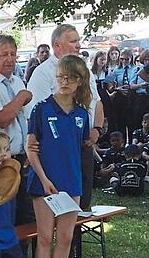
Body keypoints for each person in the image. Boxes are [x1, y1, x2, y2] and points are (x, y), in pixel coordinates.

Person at [26, 54, 92, 258]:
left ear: (79, 82)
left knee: (65, 237)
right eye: (61, 76)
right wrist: (44, 179)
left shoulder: (81, 114)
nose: (65, 82)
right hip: (44, 182)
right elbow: (31, 149)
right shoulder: (41, 109)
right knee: (44, 237)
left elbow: (78, 147)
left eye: (71, 78)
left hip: (71, 182)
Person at [27, 25, 105, 217]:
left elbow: (96, 102)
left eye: (79, 41)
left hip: (82, 146)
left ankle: (75, 246)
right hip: (54, 152)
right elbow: (37, 113)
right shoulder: (43, 72)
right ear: (57, 45)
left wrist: (96, 130)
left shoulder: (84, 69)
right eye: (73, 41)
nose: (78, 45)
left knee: (80, 208)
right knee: (48, 218)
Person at [0, 34, 36, 250]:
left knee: (25, 213)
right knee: (4, 214)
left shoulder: (16, 80)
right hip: (2, 159)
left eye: (13, 54)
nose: (10, 59)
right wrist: (21, 98)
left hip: (22, 157)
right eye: (4, 54)